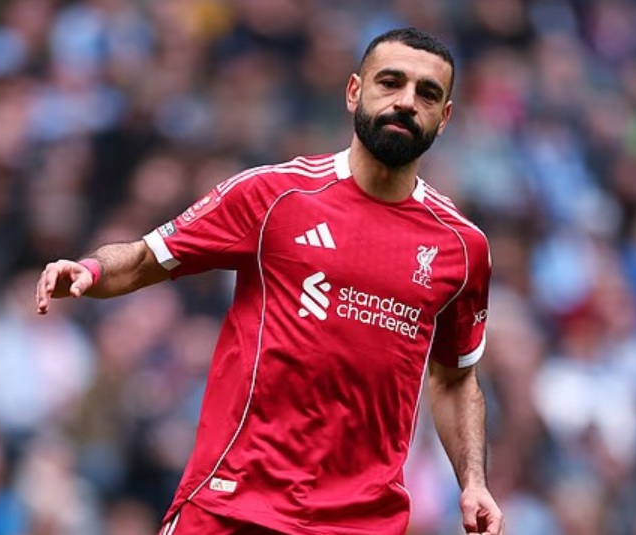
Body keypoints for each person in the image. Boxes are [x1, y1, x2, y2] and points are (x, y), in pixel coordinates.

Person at [35, 27, 503, 535]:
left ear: (444, 117)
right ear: (354, 92)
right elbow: (146, 258)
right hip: (231, 508)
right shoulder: (275, 196)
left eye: (427, 93)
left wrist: (473, 482)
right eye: (390, 82)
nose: (407, 102)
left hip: (360, 523)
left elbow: (454, 378)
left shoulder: (462, 247)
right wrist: (90, 270)